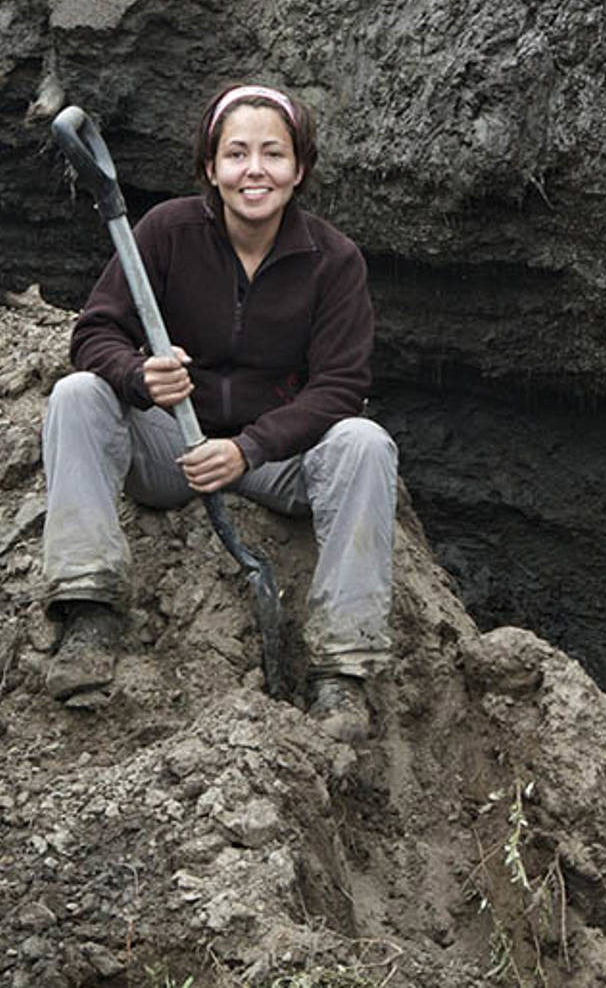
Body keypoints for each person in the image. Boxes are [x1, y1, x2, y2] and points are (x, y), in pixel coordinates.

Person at [36, 83, 396, 742]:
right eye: (235, 154)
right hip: (170, 448)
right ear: (209, 167)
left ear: (300, 169)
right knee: (76, 394)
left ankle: (342, 670)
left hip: (276, 462)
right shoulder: (166, 231)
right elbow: (94, 334)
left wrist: (248, 447)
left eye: (272, 154)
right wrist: (140, 374)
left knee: (365, 441)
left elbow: (341, 385)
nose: (253, 170)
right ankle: (88, 610)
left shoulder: (334, 261)